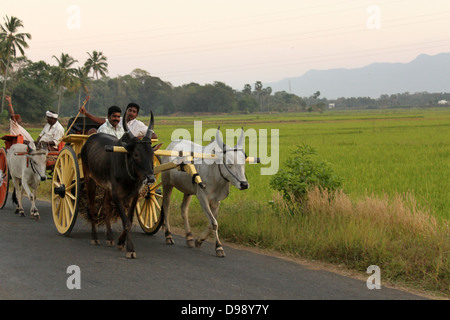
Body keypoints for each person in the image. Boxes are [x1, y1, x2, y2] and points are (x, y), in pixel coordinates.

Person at [79, 102, 156, 139]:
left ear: (137, 115)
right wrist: (86, 113)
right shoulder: (114, 124)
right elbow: (101, 121)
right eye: (130, 110)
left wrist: (140, 138)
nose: (131, 113)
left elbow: (154, 136)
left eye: (134, 112)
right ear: (126, 111)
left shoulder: (139, 125)